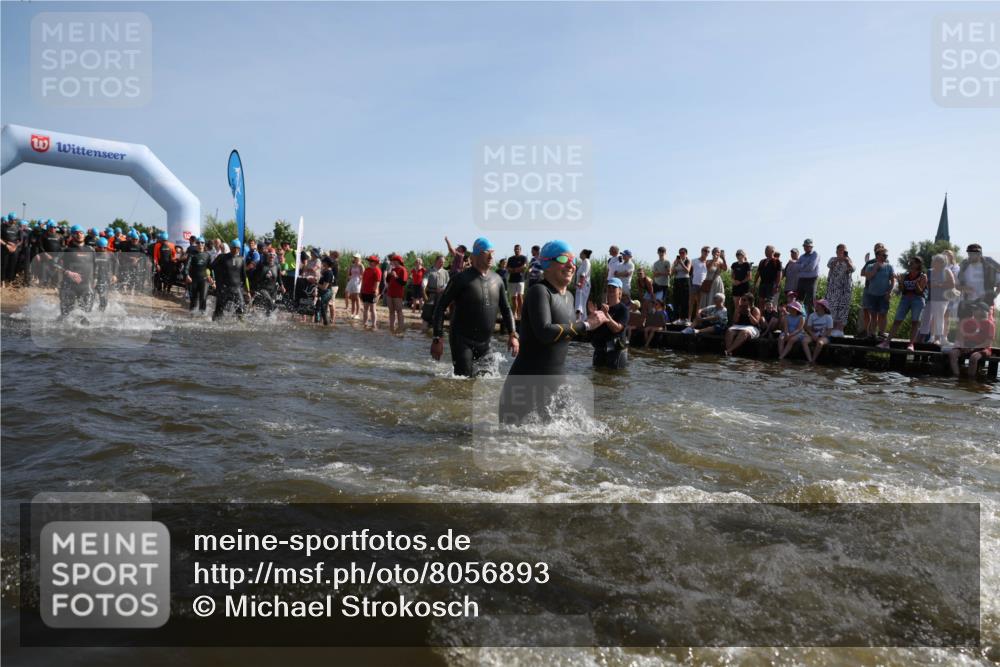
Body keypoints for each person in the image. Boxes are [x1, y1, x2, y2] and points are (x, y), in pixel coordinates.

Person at [499, 240, 606, 424]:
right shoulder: (539, 292)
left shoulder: (569, 297)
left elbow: (567, 333)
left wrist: (599, 324)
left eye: (573, 260)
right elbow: (545, 332)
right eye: (564, 258)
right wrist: (586, 325)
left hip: (556, 387)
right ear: (547, 264)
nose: (571, 265)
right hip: (524, 389)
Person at [431, 237, 517, 377]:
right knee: (463, 382)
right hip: (462, 341)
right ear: (474, 256)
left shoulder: (498, 280)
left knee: (487, 381)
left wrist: (513, 334)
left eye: (492, 252)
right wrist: (437, 338)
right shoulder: (461, 278)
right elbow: (440, 307)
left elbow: (506, 308)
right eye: (486, 252)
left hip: (486, 343)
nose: (491, 256)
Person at [881, 256, 928, 350]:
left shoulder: (923, 276)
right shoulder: (905, 275)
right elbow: (902, 290)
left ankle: (911, 344)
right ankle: (886, 343)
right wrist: (900, 282)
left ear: (918, 264)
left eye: (913, 262)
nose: (910, 264)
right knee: (897, 320)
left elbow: (920, 292)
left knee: (915, 322)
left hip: (918, 299)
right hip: (905, 299)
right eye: (910, 262)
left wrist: (917, 284)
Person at [55, 225, 95, 320]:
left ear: (84, 235)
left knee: (86, 317)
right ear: (72, 235)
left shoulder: (91, 250)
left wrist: (95, 280)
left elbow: (95, 266)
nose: (79, 235)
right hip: (68, 286)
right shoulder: (65, 250)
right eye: (76, 233)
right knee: (65, 316)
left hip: (86, 286)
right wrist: (67, 272)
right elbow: (54, 264)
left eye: (81, 232)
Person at [948, 301, 995, 378]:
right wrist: (963, 347)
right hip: (967, 346)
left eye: (976, 309)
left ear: (984, 311)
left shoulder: (990, 324)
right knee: (952, 354)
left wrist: (973, 348)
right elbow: (962, 338)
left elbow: (988, 343)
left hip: (982, 348)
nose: (973, 311)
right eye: (973, 309)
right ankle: (956, 376)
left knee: (974, 357)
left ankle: (970, 380)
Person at [919, 254, 957, 346]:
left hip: (942, 299)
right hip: (930, 298)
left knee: (939, 318)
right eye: (935, 261)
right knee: (926, 318)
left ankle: (937, 338)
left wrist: (938, 285)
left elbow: (952, 285)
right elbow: (927, 284)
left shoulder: (947, 271)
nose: (936, 263)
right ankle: (922, 338)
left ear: (943, 263)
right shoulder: (929, 271)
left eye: (939, 261)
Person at [593, 277, 630, 367]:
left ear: (620, 291)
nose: (611, 290)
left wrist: (606, 315)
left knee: (614, 378)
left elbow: (617, 329)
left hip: (615, 351)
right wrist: (592, 315)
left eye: (614, 287)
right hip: (600, 348)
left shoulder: (623, 309)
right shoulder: (601, 307)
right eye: (609, 287)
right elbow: (594, 327)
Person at [861, 246, 895, 340]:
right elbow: (868, 277)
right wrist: (875, 269)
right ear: (878, 256)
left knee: (883, 314)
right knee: (873, 315)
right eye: (884, 255)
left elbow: (892, 280)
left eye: (886, 255)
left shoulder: (889, 267)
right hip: (872, 295)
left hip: (884, 295)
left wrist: (889, 292)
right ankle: (872, 333)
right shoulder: (870, 266)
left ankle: (882, 332)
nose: (885, 257)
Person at [210, 241, 249, 321]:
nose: (235, 250)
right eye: (234, 248)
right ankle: (214, 326)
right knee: (219, 311)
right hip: (224, 289)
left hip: (237, 289)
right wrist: (212, 279)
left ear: (239, 249)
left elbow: (245, 276)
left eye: (237, 248)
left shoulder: (241, 259)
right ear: (230, 248)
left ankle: (241, 327)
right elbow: (210, 267)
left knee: (241, 310)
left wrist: (247, 291)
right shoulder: (222, 257)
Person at [957, 243, 1000, 314]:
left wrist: (994, 295)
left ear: (980, 254)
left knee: (983, 324)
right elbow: (956, 285)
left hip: (985, 302)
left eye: (973, 253)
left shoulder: (990, 266)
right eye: (969, 253)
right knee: (963, 324)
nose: (970, 255)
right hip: (966, 301)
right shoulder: (964, 265)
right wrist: (963, 288)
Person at [824, 244, 855, 337]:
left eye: (844, 250)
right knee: (832, 308)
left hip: (845, 290)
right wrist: (838, 259)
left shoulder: (849, 260)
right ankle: (832, 330)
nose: (842, 252)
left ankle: (840, 330)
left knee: (843, 309)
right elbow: (829, 265)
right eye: (841, 250)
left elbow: (853, 269)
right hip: (833, 289)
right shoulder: (833, 259)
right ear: (837, 251)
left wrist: (846, 261)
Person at [184, 237, 214, 315]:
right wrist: (187, 275)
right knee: (193, 300)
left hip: (204, 280)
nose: (200, 244)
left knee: (203, 299)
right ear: (196, 244)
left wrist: (212, 278)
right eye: (198, 243)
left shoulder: (207, 255)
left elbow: (211, 268)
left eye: (202, 243)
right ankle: (192, 317)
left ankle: (202, 317)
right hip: (193, 280)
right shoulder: (192, 254)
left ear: (204, 244)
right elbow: (186, 266)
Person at [250, 250, 283, 316]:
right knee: (270, 301)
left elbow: (279, 278)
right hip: (262, 288)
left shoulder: (277, 266)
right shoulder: (261, 265)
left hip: (273, 290)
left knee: (269, 306)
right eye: (270, 255)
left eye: (273, 255)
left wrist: (282, 286)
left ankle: (267, 319)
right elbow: (253, 275)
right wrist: (253, 286)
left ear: (275, 257)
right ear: (267, 256)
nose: (271, 257)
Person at [421, 254, 449, 331]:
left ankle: (436, 334)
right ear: (436, 261)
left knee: (438, 316)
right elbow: (425, 280)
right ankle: (423, 335)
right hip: (430, 296)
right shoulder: (429, 271)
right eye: (440, 262)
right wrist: (423, 285)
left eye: (443, 262)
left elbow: (447, 283)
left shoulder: (445, 272)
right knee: (426, 316)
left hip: (441, 296)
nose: (442, 263)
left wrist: (443, 288)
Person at [90, 236, 117, 312]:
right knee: (90, 298)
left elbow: (116, 264)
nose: (103, 249)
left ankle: (101, 314)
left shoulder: (110, 254)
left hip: (105, 279)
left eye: (104, 248)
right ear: (97, 247)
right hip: (92, 279)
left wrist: (114, 275)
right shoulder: (92, 254)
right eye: (100, 248)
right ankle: (89, 314)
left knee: (103, 299)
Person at [753, 245, 783, 310]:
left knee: (771, 303)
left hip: (772, 284)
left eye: (767, 250)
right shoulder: (762, 261)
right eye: (765, 250)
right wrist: (754, 284)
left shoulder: (777, 261)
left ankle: (771, 318)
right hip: (762, 284)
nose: (765, 251)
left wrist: (777, 286)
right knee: (761, 302)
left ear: (772, 251)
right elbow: (757, 274)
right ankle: (761, 317)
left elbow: (779, 275)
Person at [385, 253, 408, 333]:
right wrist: (389, 274)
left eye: (394, 260)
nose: (392, 262)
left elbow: (404, 283)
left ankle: (401, 328)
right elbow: (388, 281)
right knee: (391, 311)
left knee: (399, 311)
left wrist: (396, 277)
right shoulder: (393, 269)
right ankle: (391, 328)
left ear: (398, 261)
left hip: (398, 294)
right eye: (392, 261)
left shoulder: (403, 269)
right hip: (390, 292)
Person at [797, 239, 821, 313]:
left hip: (811, 280)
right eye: (805, 246)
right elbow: (797, 267)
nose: (806, 247)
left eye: (808, 246)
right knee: (799, 300)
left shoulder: (815, 254)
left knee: (810, 301)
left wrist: (802, 266)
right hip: (801, 280)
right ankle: (800, 319)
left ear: (811, 247)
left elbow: (811, 267)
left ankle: (810, 320)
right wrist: (804, 266)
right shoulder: (801, 256)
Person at [360, 254, 382, 328]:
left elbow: (378, 281)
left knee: (372, 309)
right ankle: (365, 323)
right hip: (365, 291)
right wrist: (361, 289)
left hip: (372, 292)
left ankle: (373, 324)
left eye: (371, 261)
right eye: (369, 261)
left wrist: (375, 290)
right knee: (365, 308)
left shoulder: (377, 270)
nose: (369, 262)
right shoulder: (367, 269)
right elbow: (363, 280)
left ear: (375, 262)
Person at [507, 244, 528, 319]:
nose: (516, 250)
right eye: (515, 249)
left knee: (520, 297)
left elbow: (524, 267)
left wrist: (514, 270)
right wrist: (517, 270)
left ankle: (521, 314)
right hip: (512, 280)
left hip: (520, 280)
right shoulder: (510, 259)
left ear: (520, 250)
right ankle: (514, 314)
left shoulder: (523, 258)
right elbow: (508, 269)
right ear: (514, 250)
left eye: (518, 249)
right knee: (513, 298)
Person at [314, 256, 337, 326]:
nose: (322, 263)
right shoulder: (325, 271)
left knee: (320, 306)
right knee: (319, 307)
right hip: (323, 292)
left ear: (326, 263)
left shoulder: (328, 273)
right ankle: (320, 323)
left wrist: (316, 283)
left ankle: (323, 323)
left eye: (323, 262)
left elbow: (324, 287)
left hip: (326, 292)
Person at [689, 246, 710, 321]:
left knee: (699, 303)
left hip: (703, 284)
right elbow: (690, 272)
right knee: (691, 302)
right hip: (694, 283)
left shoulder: (708, 262)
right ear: (701, 251)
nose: (706, 253)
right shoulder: (694, 260)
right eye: (705, 251)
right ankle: (689, 319)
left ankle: (696, 319)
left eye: (708, 251)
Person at [671, 248, 691, 323]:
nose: (681, 254)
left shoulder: (687, 260)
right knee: (676, 300)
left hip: (685, 280)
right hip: (677, 280)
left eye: (683, 253)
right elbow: (671, 273)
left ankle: (684, 318)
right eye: (680, 253)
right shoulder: (676, 261)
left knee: (684, 300)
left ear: (686, 253)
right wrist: (675, 264)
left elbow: (687, 270)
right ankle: (676, 318)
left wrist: (681, 263)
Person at [574, 249, 592, 323]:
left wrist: (580, 283)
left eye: (581, 253)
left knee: (580, 302)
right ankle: (583, 320)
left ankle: (579, 319)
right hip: (582, 285)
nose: (580, 254)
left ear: (584, 254)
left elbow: (583, 274)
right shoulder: (583, 262)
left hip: (583, 285)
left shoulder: (586, 261)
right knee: (581, 303)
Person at [345, 253, 364, 318]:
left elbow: (363, 274)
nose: (355, 258)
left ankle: (357, 314)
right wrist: (349, 277)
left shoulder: (361, 265)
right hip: (352, 281)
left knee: (357, 298)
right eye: (354, 257)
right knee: (352, 298)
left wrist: (361, 281)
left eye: (356, 257)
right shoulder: (352, 265)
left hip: (358, 281)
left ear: (359, 258)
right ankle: (352, 313)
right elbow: (348, 274)